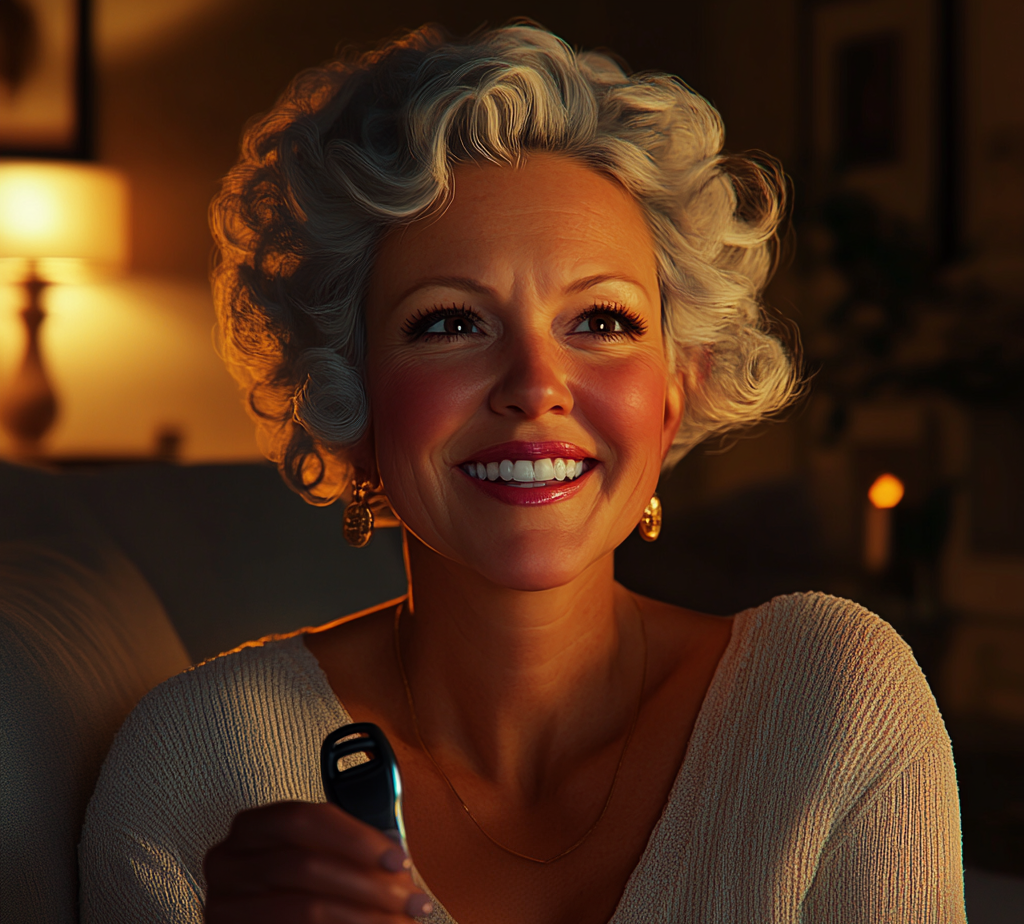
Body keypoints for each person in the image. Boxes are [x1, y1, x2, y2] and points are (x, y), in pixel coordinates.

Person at [79, 22, 967, 924]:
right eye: (450, 323)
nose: (537, 386)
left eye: (603, 321)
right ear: (348, 405)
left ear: (676, 386)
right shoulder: (196, 768)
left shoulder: (830, 707)